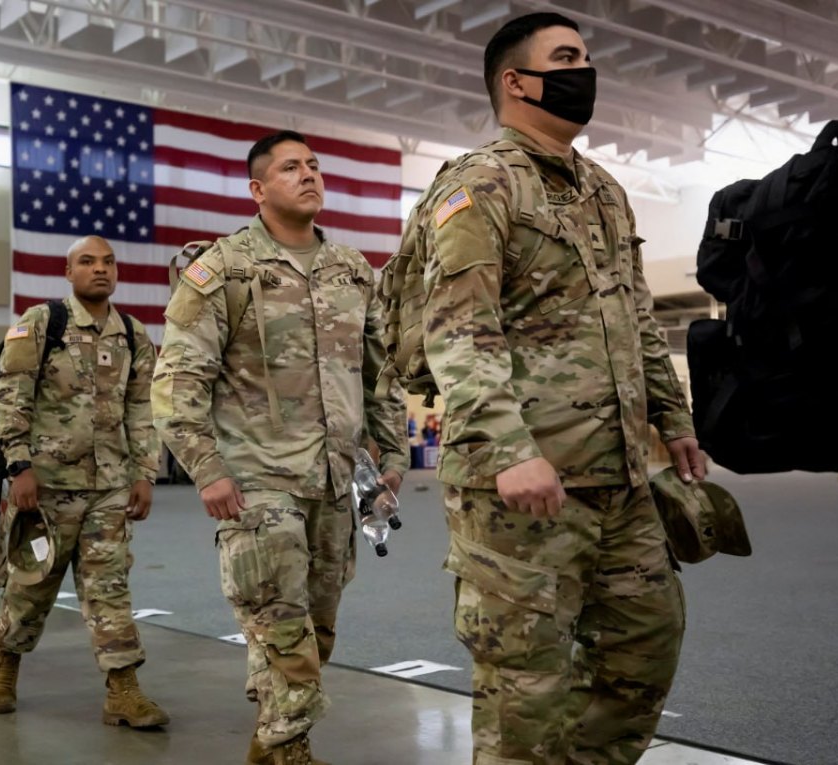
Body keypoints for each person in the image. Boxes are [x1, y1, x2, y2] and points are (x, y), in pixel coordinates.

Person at [417, 13, 705, 764]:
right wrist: (511, 449)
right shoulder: (478, 184)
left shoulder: (605, 190)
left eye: (586, 57)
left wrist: (672, 417)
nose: (586, 71)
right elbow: (458, 328)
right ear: (516, 82)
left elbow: (637, 316)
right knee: (525, 690)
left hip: (620, 478)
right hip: (522, 484)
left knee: (644, 649)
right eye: (567, 57)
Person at [152, 131, 408, 764]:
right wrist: (207, 468)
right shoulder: (225, 268)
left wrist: (392, 455)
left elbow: (379, 371)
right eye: (291, 167)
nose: (309, 174)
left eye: (314, 165)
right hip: (257, 479)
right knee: (281, 624)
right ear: (258, 189)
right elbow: (179, 379)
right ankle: (287, 749)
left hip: (336, 480)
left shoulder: (352, 269)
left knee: (316, 628)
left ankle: (272, 742)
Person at [0, 235, 168, 729]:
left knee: (109, 587)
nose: (100, 269)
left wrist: (145, 473)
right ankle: (5, 667)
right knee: (32, 584)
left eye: (108, 262)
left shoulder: (133, 334)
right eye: (87, 262)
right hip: (45, 487)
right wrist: (19, 467)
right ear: (68, 272)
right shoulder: (41, 323)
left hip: (109, 486)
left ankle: (123, 689)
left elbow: (142, 409)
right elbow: (11, 397)